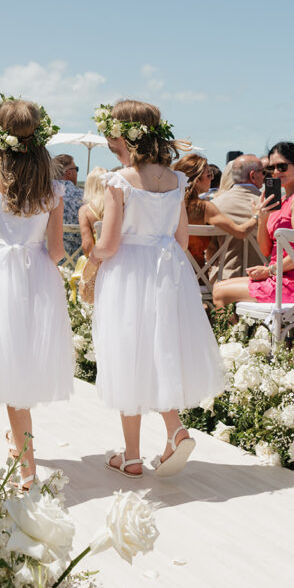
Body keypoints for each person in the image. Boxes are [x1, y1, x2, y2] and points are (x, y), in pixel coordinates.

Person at [86, 100, 226, 479]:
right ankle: (174, 430)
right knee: (157, 350)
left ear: (126, 133)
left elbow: (110, 242)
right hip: (168, 270)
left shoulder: (120, 180)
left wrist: (91, 258)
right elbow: (181, 239)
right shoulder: (177, 180)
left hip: (128, 271)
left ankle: (132, 456)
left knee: (127, 353)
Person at [0, 97, 73, 489]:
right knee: (24, 362)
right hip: (38, 274)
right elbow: (58, 251)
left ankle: (27, 470)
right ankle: (19, 441)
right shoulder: (54, 189)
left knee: (9, 367)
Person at [212, 141, 294, 308]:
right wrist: (262, 218)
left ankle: (234, 334)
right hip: (279, 277)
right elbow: (266, 250)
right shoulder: (283, 201)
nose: (276, 172)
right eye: (271, 168)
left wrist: (270, 270)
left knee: (220, 293)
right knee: (218, 288)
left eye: (282, 167)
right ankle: (239, 334)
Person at [173, 153, 259, 269]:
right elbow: (240, 232)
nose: (212, 179)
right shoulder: (204, 208)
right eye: (209, 175)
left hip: (169, 269)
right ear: (197, 180)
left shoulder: (169, 204)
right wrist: (257, 215)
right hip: (196, 276)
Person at [213, 154, 265, 278]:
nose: (264, 177)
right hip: (261, 278)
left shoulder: (214, 205)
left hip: (223, 279)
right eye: (263, 172)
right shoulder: (269, 206)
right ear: (253, 175)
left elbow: (210, 250)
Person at [53, 153, 84, 257]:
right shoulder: (83, 197)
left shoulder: (42, 198)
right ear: (69, 173)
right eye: (77, 169)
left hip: (48, 258)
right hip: (77, 260)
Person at [78, 166, 107, 256]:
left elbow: (87, 245)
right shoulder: (118, 206)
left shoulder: (85, 210)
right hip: (119, 258)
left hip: (97, 259)